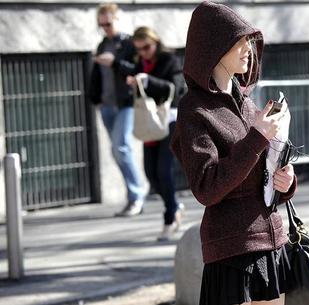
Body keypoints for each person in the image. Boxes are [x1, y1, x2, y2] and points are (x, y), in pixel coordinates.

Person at [170, 2, 297, 305]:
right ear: (213, 48)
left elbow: (261, 171)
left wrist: (287, 180)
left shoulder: (249, 105)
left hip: (271, 243)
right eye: (238, 42)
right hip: (232, 252)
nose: (247, 50)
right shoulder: (194, 110)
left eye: (249, 42)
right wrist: (257, 138)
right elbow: (207, 187)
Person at [126, 26, 186, 241]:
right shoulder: (138, 63)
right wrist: (133, 83)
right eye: (139, 49)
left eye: (147, 47)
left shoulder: (169, 59)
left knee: (163, 170)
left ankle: (169, 219)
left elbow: (176, 88)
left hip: (168, 120)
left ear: (155, 42)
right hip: (149, 122)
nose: (144, 52)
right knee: (151, 174)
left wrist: (149, 81)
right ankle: (174, 205)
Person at [89, 3, 145, 217]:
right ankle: (133, 195)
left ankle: (137, 196)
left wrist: (114, 63)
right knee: (116, 151)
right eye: (101, 25)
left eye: (108, 23)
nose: (106, 28)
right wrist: (96, 99)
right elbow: (96, 76)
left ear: (117, 20)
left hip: (126, 104)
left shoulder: (130, 44)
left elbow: (138, 70)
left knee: (121, 147)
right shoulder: (102, 44)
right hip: (106, 105)